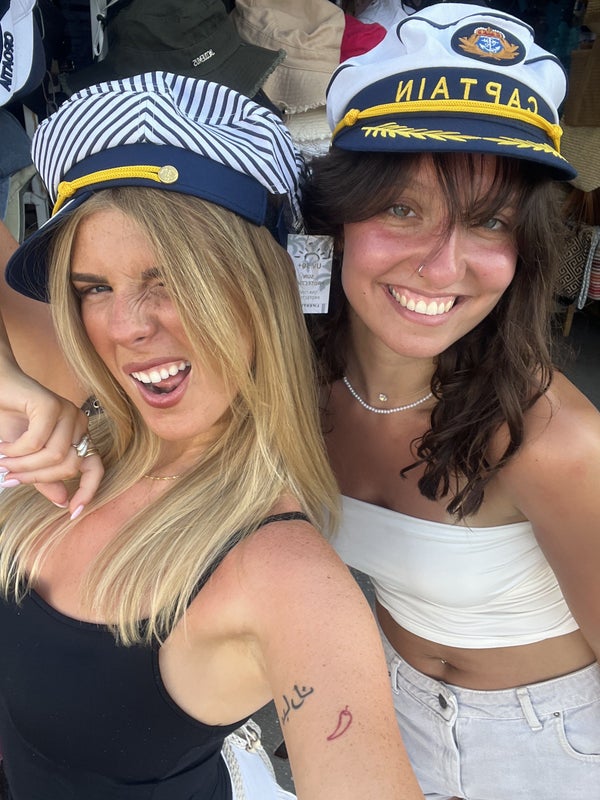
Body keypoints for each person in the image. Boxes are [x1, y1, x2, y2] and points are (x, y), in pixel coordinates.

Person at [0, 72, 425, 800]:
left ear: (261, 288)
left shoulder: (284, 576)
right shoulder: (77, 407)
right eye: (93, 287)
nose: (127, 327)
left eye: (172, 278)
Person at [301, 4, 600, 799]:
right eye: (402, 208)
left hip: (553, 749)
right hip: (387, 712)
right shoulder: (301, 385)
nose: (442, 267)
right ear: (336, 219)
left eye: (489, 221)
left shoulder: (556, 442)